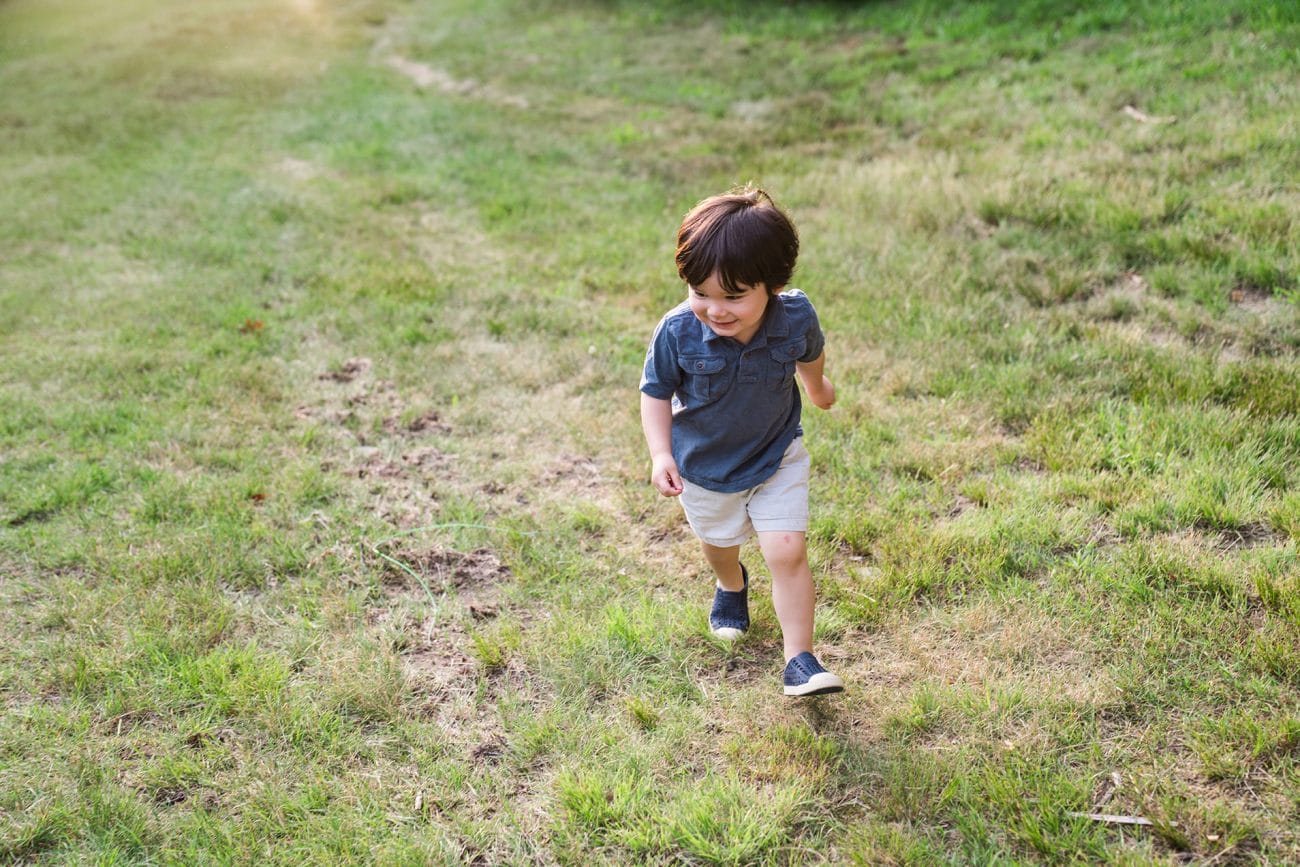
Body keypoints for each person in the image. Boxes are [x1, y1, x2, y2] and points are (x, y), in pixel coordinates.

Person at [639, 186, 843, 697]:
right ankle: (731, 583)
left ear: (772, 286)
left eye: (733, 296)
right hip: (705, 469)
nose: (715, 309)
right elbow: (656, 391)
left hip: (777, 454)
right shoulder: (677, 332)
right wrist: (661, 453)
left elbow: (809, 351)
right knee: (720, 546)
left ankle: (800, 660)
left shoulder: (793, 316)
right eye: (700, 292)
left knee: (787, 549)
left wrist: (816, 387)